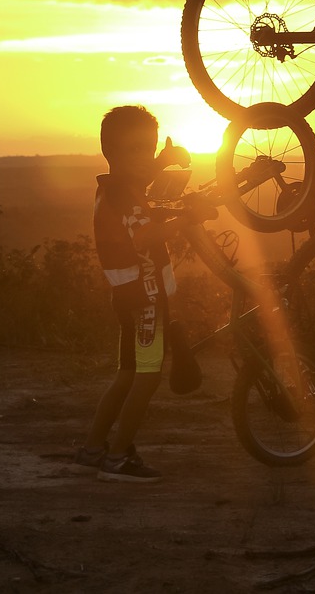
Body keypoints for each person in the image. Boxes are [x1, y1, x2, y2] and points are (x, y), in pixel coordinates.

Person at [75, 105, 192, 483]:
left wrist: (163, 162)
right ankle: (118, 456)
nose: (146, 158)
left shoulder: (115, 188)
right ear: (111, 153)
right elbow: (146, 235)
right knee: (147, 375)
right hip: (145, 300)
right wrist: (187, 218)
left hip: (128, 296)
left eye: (151, 147)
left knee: (127, 373)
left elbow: (139, 179)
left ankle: (93, 448)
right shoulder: (126, 198)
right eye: (136, 150)